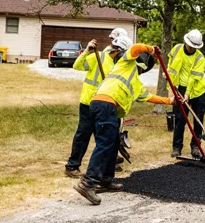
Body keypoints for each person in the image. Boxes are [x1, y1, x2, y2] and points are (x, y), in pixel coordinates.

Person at [73, 39, 175, 205]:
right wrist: (151, 49)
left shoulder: (135, 82)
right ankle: (88, 182)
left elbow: (149, 97)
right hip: (104, 104)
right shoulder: (125, 64)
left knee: (113, 143)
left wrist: (171, 101)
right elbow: (135, 48)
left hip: (104, 106)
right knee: (105, 144)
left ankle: (105, 180)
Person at [64, 31, 127, 178]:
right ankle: (72, 167)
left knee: (104, 137)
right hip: (88, 102)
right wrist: (86, 51)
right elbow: (77, 66)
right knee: (83, 134)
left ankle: (104, 169)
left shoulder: (118, 65)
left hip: (104, 105)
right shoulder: (98, 57)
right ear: (117, 50)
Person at [167, 29, 205, 158]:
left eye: (194, 46)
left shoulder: (199, 58)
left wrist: (187, 94)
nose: (192, 48)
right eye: (191, 45)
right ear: (186, 41)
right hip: (180, 88)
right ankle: (177, 147)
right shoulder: (177, 49)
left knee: (198, 118)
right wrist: (169, 80)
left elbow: (193, 78)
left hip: (197, 90)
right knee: (180, 118)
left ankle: (196, 146)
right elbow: (170, 64)